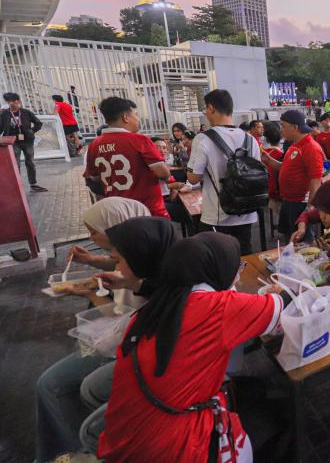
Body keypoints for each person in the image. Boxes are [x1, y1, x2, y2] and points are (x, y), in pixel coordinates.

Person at [97, 232, 288, 462]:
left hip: (123, 439)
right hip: (177, 444)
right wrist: (281, 292)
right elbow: (282, 305)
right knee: (275, 426)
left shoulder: (158, 304)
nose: (238, 270)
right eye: (236, 264)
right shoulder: (218, 308)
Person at [37, 213, 175, 462]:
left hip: (128, 355)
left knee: (64, 389)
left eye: (118, 258)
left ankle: (75, 451)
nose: (115, 265)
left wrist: (93, 294)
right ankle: (69, 449)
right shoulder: (152, 274)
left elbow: (120, 324)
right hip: (124, 348)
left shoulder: (168, 294)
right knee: (76, 387)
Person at [185, 90, 261, 254]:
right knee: (244, 254)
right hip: (247, 210)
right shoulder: (250, 139)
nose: (205, 113)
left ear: (211, 108)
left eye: (205, 109)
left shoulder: (203, 138)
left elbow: (193, 178)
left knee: (218, 258)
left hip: (218, 213)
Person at [85, 97, 170, 217]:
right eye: (135, 115)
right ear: (126, 117)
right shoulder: (140, 140)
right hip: (147, 210)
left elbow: (94, 178)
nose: (137, 119)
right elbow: (163, 174)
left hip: (117, 211)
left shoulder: (94, 145)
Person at [266, 110, 325, 241]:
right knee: (290, 240)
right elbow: (285, 168)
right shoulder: (295, 145)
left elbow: (316, 180)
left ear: (295, 127)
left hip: (300, 204)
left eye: (283, 126)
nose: (281, 130)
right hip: (288, 201)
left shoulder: (311, 148)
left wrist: (309, 208)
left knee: (303, 243)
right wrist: (269, 160)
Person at [1, 92, 47, 192]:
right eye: (9, 101)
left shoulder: (26, 112)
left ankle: (33, 184)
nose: (12, 103)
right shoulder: (4, 114)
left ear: (18, 101)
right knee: (15, 164)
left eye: (14, 101)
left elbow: (38, 123)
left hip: (27, 141)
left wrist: (32, 131)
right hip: (13, 142)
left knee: (30, 162)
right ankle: (16, 185)